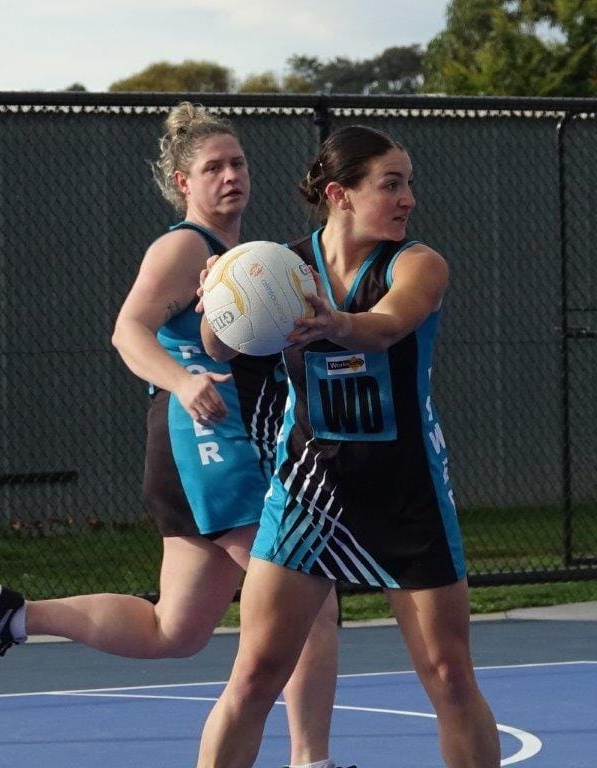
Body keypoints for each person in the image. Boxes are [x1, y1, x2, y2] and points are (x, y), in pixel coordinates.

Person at [0, 102, 347, 768]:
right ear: (184, 185)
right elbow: (128, 330)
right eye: (213, 167)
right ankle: (309, 761)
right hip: (208, 442)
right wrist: (181, 380)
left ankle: (14, 616)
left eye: (239, 162)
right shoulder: (184, 247)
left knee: (177, 628)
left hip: (218, 442)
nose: (232, 176)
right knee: (308, 601)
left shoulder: (241, 261)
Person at [194, 125, 501, 767]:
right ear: (340, 194)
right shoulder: (273, 269)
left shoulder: (418, 263)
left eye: (408, 183)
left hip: (404, 490)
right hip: (310, 490)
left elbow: (388, 328)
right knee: (252, 677)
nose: (407, 197)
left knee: (448, 675)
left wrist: (336, 324)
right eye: (391, 184)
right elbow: (219, 347)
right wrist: (219, 301)